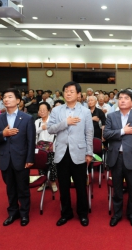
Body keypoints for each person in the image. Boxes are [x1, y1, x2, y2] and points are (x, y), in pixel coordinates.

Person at [47, 81, 93, 227]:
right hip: (61, 153)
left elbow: (89, 133)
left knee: (80, 186)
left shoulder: (85, 111)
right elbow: (50, 129)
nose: (68, 93)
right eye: (66, 91)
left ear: (79, 95)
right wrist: (65, 122)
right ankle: (66, 213)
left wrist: (89, 152)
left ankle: (83, 213)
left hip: (79, 152)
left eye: (71, 91)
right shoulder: (56, 110)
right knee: (64, 186)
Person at [0, 88, 36, 227]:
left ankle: (24, 214)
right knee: (10, 188)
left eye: (10, 97)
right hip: (5, 159)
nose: (6, 99)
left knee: (23, 188)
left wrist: (30, 159)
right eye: (4, 97)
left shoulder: (27, 118)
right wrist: (3, 134)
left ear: (18, 101)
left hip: (21, 159)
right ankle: (12, 212)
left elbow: (30, 141)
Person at [103, 89, 132, 227]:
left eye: (126, 98)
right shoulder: (111, 116)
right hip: (116, 157)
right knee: (117, 189)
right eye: (120, 98)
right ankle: (117, 214)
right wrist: (123, 131)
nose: (122, 100)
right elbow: (107, 134)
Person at [35, 102, 57, 192]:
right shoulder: (37, 122)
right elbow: (33, 133)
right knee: (41, 165)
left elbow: (57, 132)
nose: (42, 112)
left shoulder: (53, 121)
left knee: (52, 165)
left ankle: (53, 183)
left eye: (44, 110)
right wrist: (41, 128)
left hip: (51, 146)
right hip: (40, 147)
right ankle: (44, 183)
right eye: (40, 110)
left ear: (49, 110)